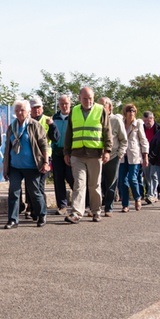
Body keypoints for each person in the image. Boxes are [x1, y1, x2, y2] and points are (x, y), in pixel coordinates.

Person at [63, 87, 112, 223]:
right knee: (79, 184)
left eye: (90, 98)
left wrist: (107, 150)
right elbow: (69, 133)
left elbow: (107, 131)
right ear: (79, 98)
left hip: (95, 154)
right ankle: (77, 213)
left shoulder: (100, 110)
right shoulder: (74, 111)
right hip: (77, 154)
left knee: (94, 185)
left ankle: (96, 211)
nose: (88, 101)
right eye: (85, 98)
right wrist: (67, 152)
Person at [3, 100, 50, 229]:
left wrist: (45, 162)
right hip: (15, 167)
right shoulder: (12, 127)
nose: (19, 113)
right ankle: (13, 219)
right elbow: (7, 148)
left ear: (28, 111)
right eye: (17, 110)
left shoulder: (35, 125)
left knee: (34, 192)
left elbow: (44, 145)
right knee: (14, 192)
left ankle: (42, 214)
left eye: (22, 110)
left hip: (32, 166)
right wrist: (5, 167)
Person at [25, 97, 60, 220]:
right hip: (29, 158)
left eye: (38, 107)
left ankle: (39, 211)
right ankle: (32, 208)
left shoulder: (47, 120)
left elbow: (56, 139)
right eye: (34, 107)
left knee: (39, 185)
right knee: (30, 185)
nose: (36, 109)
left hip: (44, 158)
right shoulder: (26, 120)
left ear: (42, 107)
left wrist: (52, 126)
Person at [98, 97, 127, 217]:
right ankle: (95, 208)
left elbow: (124, 140)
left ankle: (108, 208)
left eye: (103, 105)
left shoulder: (116, 120)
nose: (100, 108)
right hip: (96, 156)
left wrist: (119, 155)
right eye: (98, 105)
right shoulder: (94, 119)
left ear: (109, 107)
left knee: (111, 183)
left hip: (112, 156)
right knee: (96, 184)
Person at [119, 104, 149, 212]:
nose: (131, 112)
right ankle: (125, 205)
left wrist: (145, 156)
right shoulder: (121, 123)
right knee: (122, 181)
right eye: (129, 110)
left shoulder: (138, 124)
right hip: (122, 156)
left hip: (134, 155)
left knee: (132, 178)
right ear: (125, 112)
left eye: (133, 110)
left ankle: (137, 198)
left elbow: (143, 140)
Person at [52, 95, 74, 215]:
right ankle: (62, 206)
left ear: (70, 103)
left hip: (71, 152)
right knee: (58, 179)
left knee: (72, 178)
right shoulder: (55, 117)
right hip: (57, 152)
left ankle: (79, 203)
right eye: (61, 104)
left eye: (66, 103)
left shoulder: (74, 116)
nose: (64, 106)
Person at [141, 111, 160, 204]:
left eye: (148, 121)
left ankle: (152, 195)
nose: (146, 123)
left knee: (153, 175)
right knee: (147, 176)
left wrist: (155, 153)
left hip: (155, 155)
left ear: (153, 119)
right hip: (144, 155)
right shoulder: (141, 128)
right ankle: (151, 192)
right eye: (145, 121)